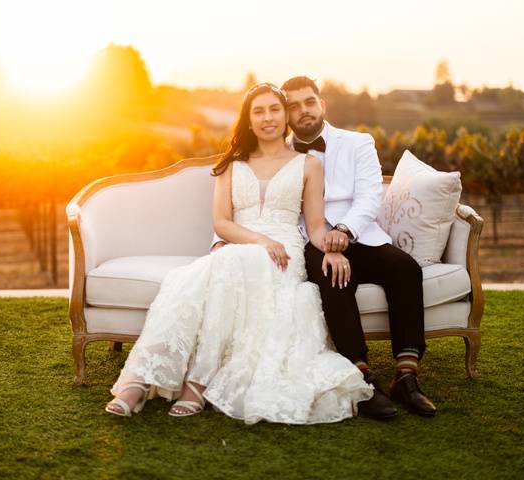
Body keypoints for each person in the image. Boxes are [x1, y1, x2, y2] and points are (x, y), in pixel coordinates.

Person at [105, 83, 373, 424]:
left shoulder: (308, 165)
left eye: (274, 109)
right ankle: (140, 381)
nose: (267, 118)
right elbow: (222, 222)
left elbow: (316, 227)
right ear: (248, 120)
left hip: (284, 254)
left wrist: (332, 249)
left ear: (285, 115)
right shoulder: (230, 164)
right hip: (247, 245)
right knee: (187, 280)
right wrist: (259, 241)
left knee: (220, 267)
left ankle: (196, 383)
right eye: (258, 111)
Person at [215, 77, 437, 418]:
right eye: (293, 106)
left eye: (309, 102)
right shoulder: (278, 152)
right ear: (286, 115)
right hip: (311, 240)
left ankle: (406, 376)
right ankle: (362, 375)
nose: (302, 111)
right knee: (331, 276)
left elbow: (368, 195)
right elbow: (256, 208)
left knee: (406, 269)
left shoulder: (358, 143)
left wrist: (345, 231)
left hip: (359, 235)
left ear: (322, 105)